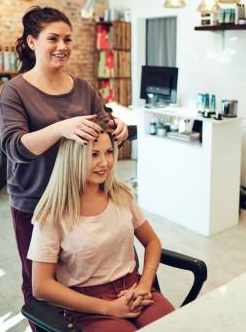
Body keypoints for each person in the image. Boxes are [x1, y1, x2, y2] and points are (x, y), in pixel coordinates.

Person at [0, 7, 128, 322]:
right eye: (53, 38)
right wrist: (60, 129)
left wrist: (118, 129)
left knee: (83, 275)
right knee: (40, 284)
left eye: (68, 39)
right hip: (36, 202)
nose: (63, 46)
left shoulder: (83, 88)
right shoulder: (14, 91)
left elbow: (103, 128)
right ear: (32, 42)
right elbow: (14, 147)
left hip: (83, 198)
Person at [28, 123, 174, 331]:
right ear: (73, 158)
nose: (104, 163)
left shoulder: (120, 195)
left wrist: (144, 285)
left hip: (134, 289)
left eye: (108, 152)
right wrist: (108, 308)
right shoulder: (53, 215)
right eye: (94, 154)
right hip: (88, 306)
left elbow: (152, 241)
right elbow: (41, 286)